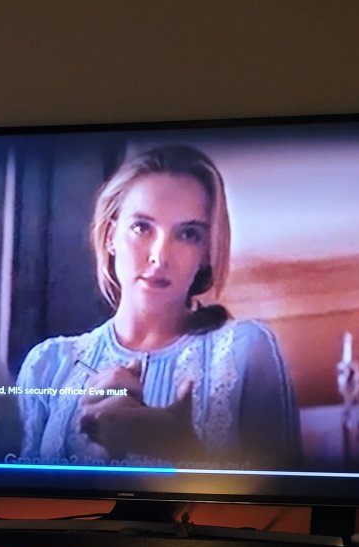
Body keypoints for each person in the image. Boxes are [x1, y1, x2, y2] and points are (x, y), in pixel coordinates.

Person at [15, 144, 301, 469]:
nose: (160, 256)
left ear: (207, 253)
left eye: (188, 234)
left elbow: (286, 494)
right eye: (141, 228)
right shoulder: (47, 364)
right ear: (110, 236)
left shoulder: (248, 351)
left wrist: (185, 451)